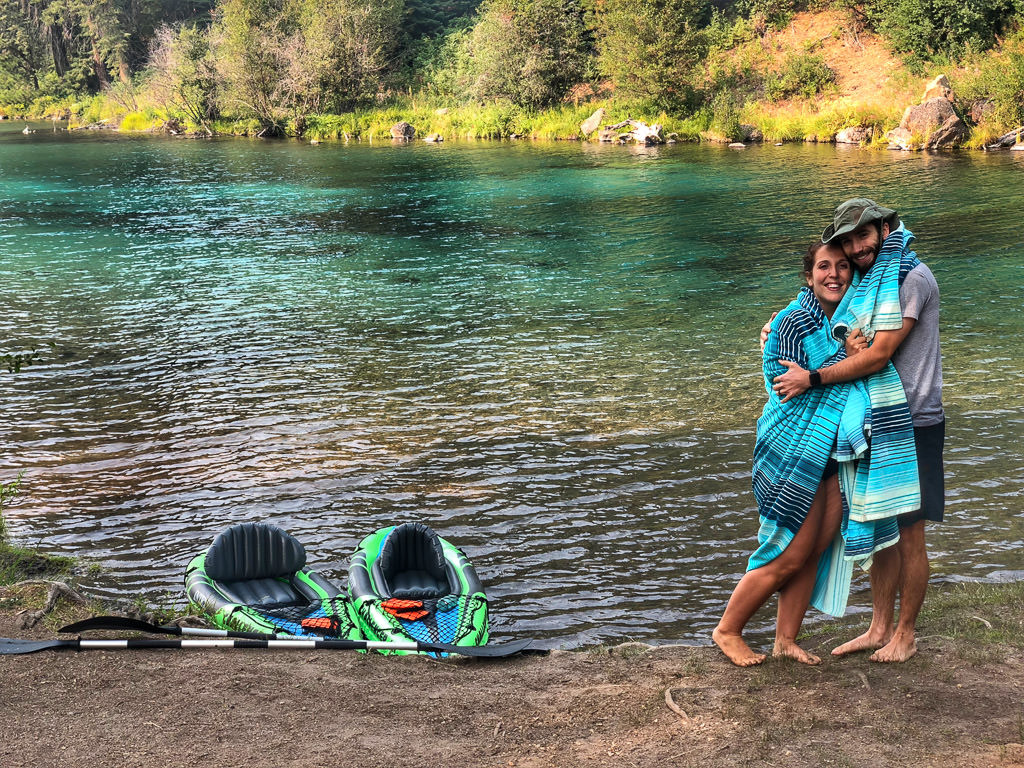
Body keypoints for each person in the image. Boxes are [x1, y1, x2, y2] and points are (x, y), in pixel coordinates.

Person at [770, 198, 944, 663]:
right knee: (880, 523)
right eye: (847, 240)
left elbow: (879, 353)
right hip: (875, 419)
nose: (856, 247)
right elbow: (828, 309)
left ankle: (904, 636)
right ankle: (878, 627)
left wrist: (812, 377)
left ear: (887, 227)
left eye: (863, 235)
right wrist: (777, 324)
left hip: (914, 419)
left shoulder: (910, 278)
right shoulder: (872, 279)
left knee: (910, 531)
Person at [713, 242, 863, 667]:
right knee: (788, 552)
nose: (833, 274)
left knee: (816, 548)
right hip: (792, 448)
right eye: (823, 266)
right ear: (809, 274)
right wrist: (846, 360)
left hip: (831, 449)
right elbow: (785, 386)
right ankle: (727, 630)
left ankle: (785, 639)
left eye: (842, 266)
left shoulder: (850, 320)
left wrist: (846, 360)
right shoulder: (791, 323)